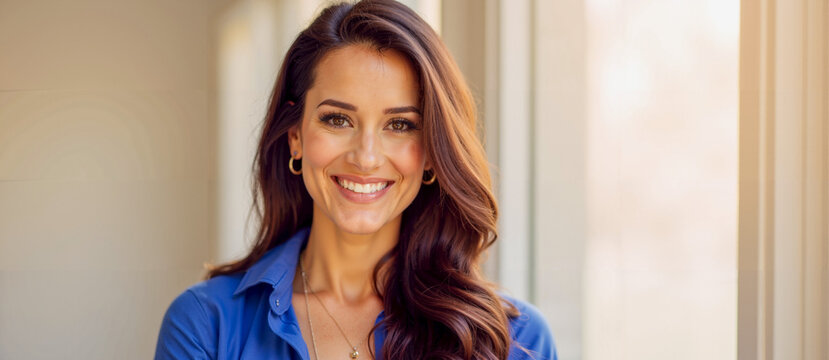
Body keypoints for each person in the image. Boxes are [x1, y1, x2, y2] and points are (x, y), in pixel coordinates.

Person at [154, 1, 556, 359]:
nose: (365, 157)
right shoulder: (206, 325)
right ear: (295, 137)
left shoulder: (516, 340)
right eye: (337, 119)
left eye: (400, 124)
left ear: (433, 151)